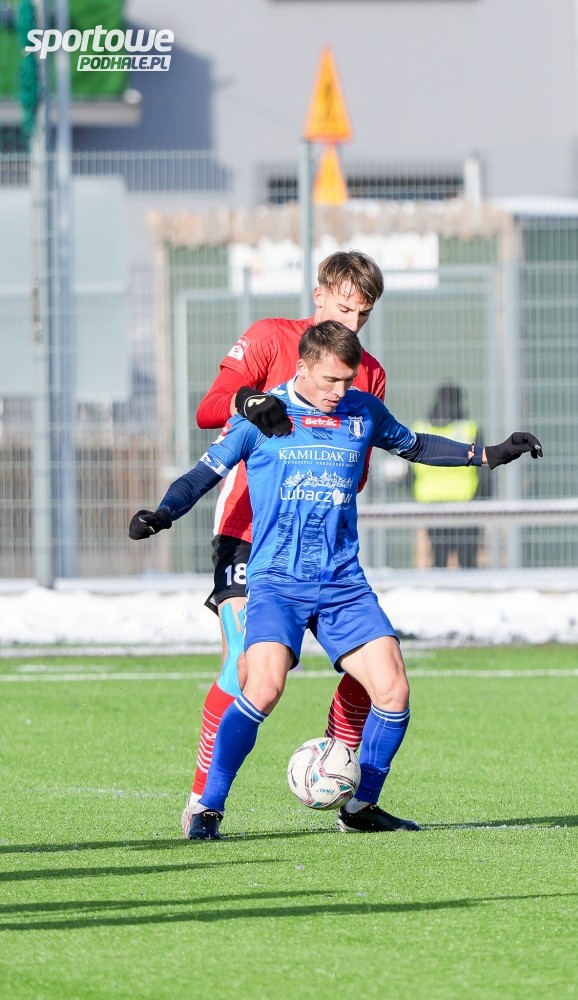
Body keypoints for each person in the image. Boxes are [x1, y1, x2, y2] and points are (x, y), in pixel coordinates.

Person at [129, 321, 543, 839]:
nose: (339, 391)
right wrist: (163, 512)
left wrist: (487, 454)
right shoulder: (264, 417)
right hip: (277, 580)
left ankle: (361, 806)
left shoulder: (362, 411)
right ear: (302, 366)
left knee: (392, 689)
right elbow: (203, 475)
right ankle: (208, 807)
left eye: (347, 380)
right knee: (263, 686)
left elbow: (415, 446)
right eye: (330, 380)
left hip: (342, 582)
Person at [183, 250, 386, 837]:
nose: (352, 323)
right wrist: (247, 400)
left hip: (322, 550)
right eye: (344, 308)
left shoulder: (368, 372)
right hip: (248, 533)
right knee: (247, 668)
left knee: (374, 667)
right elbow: (208, 409)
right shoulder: (270, 336)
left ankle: (342, 774)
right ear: (319, 295)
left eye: (364, 314)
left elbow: (358, 465)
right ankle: (203, 802)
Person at [412, 383, 491, 568]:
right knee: (468, 561)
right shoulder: (469, 429)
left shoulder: (420, 428)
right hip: (466, 503)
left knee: (438, 559)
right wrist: (485, 500)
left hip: (431, 503)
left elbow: (410, 471)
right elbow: (484, 469)